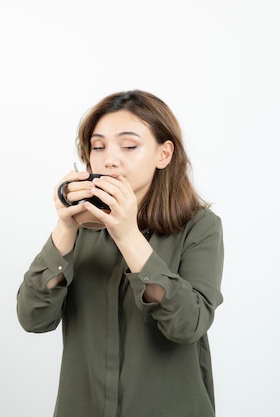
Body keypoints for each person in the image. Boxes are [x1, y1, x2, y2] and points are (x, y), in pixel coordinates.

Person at [16, 90, 224, 417]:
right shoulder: (81, 226)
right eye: (98, 147)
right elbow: (33, 318)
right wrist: (65, 228)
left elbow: (187, 324)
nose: (109, 159)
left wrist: (127, 234)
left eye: (128, 146)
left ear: (164, 154)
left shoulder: (199, 227)